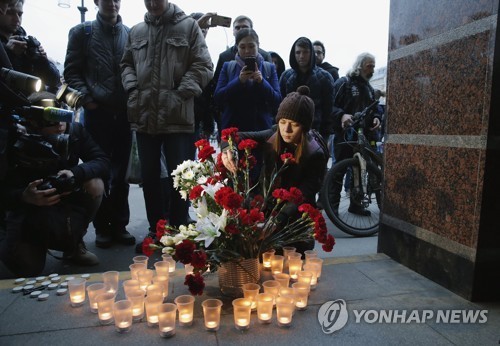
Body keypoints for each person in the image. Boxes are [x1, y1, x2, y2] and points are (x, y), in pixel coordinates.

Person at [120, 0, 213, 253]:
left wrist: (180, 93)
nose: (152, 3)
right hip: (144, 114)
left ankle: (180, 231)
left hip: (178, 117)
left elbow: (204, 65)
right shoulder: (137, 31)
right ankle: (157, 230)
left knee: (180, 178)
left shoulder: (188, 27)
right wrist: (132, 88)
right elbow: (126, 63)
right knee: (149, 177)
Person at [0, 91, 109, 277]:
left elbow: (101, 160)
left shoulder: (74, 131)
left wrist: (75, 173)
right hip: (28, 210)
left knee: (95, 184)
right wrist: (24, 196)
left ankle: (73, 244)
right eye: (51, 119)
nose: (60, 125)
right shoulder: (14, 139)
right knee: (29, 269)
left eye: (62, 116)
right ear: (34, 122)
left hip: (64, 199)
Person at [221, 86, 328, 254]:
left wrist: (277, 221)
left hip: (294, 214)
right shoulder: (273, 134)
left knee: (289, 257)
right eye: (283, 122)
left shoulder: (314, 152)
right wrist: (229, 150)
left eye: (295, 124)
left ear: (305, 127)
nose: (286, 130)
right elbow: (234, 136)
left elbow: (305, 192)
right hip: (269, 206)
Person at [63, 0, 134, 249]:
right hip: (97, 113)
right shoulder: (81, 32)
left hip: (125, 115)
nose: (112, 4)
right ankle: (103, 227)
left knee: (122, 174)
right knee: (101, 170)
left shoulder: (130, 33)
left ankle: (121, 225)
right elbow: (71, 72)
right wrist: (87, 99)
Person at [331, 52, 382, 216]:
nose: (372, 69)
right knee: (339, 171)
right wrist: (341, 115)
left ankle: (356, 205)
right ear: (360, 65)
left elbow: (376, 109)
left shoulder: (369, 88)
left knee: (360, 170)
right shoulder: (343, 83)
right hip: (345, 134)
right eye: (370, 66)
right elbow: (330, 107)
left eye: (374, 66)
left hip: (363, 136)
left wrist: (376, 118)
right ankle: (332, 208)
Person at [209, 15, 273, 140]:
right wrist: (239, 81)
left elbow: (275, 98)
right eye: (237, 27)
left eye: (244, 27)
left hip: (261, 127)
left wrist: (261, 82)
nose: (247, 51)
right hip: (232, 125)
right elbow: (217, 94)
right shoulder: (225, 58)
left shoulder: (266, 60)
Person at [279, 37, 335, 143]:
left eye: (305, 52)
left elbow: (328, 109)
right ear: (293, 54)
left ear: (311, 53)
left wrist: (325, 135)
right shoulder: (286, 76)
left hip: (316, 131)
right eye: (298, 52)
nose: (302, 56)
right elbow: (280, 104)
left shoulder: (325, 77)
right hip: (289, 130)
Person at [0, 0, 60, 92]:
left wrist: (42, 61)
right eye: (10, 13)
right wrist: (8, 53)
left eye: (20, 14)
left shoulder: (27, 42)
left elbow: (54, 81)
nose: (17, 19)